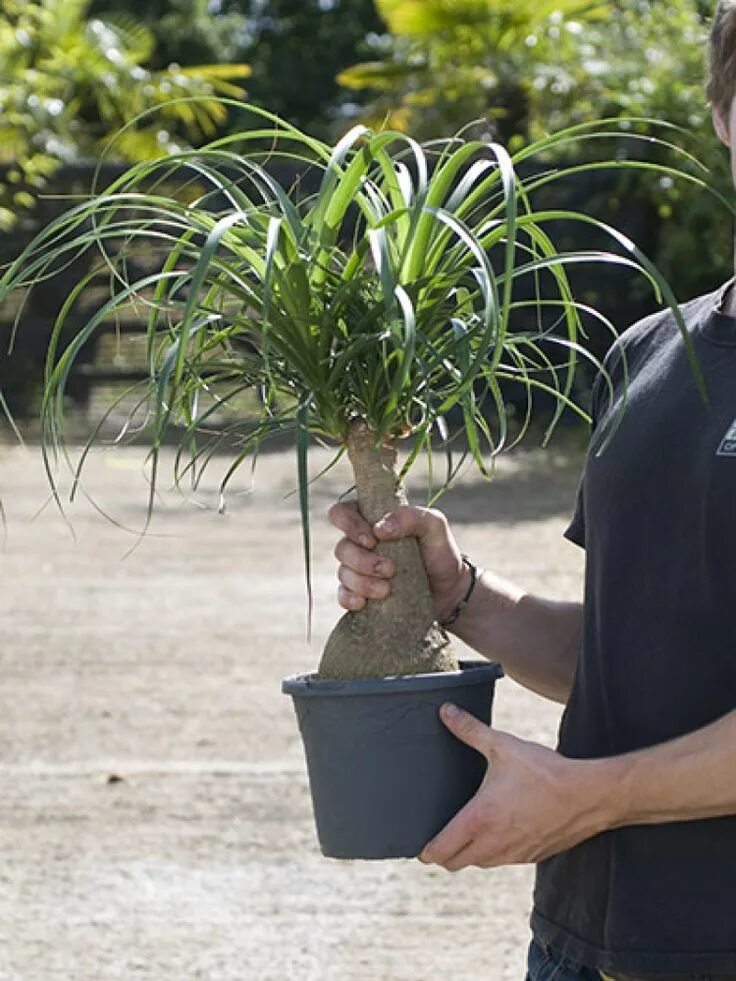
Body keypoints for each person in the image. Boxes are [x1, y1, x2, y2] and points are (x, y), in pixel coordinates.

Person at [329, 5, 736, 980]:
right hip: (578, 941)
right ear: (725, 111)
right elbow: (618, 655)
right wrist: (459, 590)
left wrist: (592, 793)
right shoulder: (653, 351)